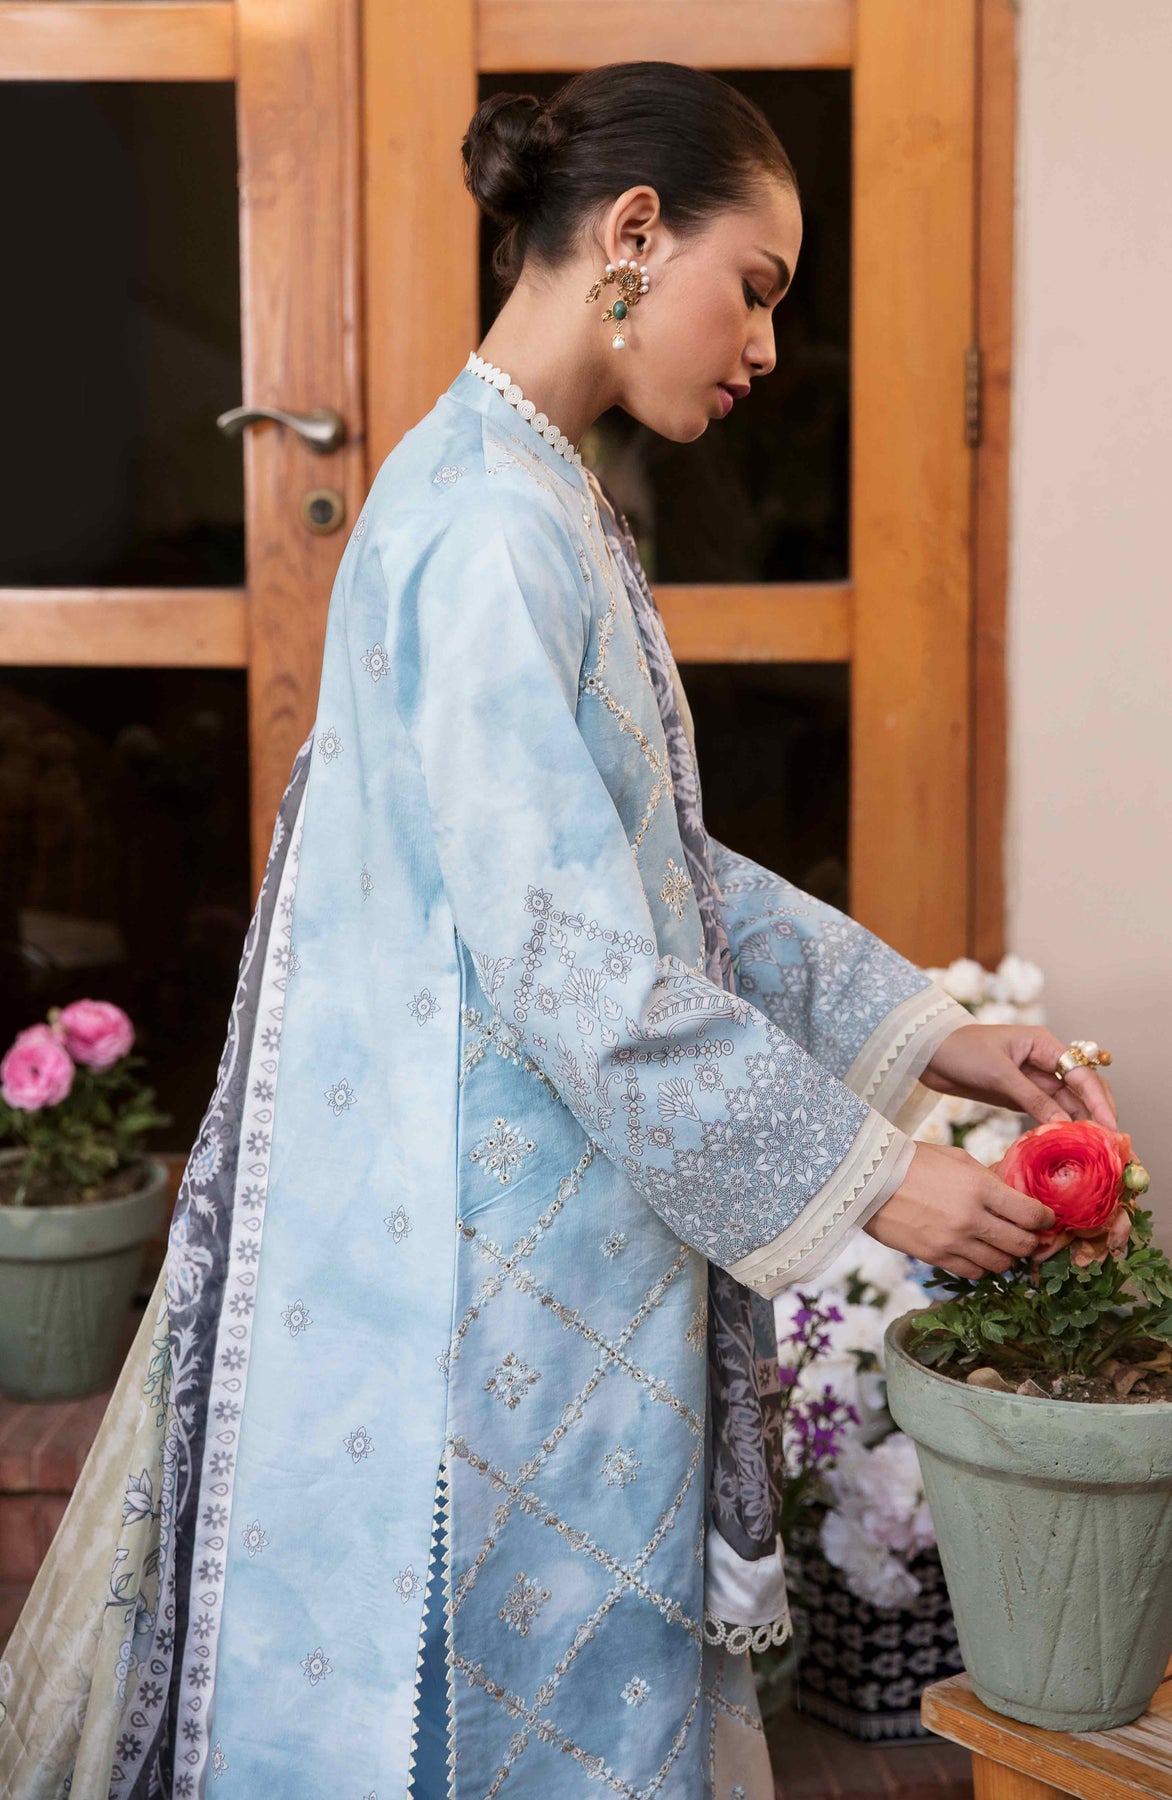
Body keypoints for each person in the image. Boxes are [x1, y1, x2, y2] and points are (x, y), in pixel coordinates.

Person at [0, 59, 1117, 1800]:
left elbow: (658, 875)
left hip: (536, 1223)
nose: (767, 348)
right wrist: (874, 1179)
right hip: (477, 1264)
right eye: (757, 288)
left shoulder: (534, 496)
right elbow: (572, 953)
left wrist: (931, 1037)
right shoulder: (487, 523)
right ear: (634, 233)